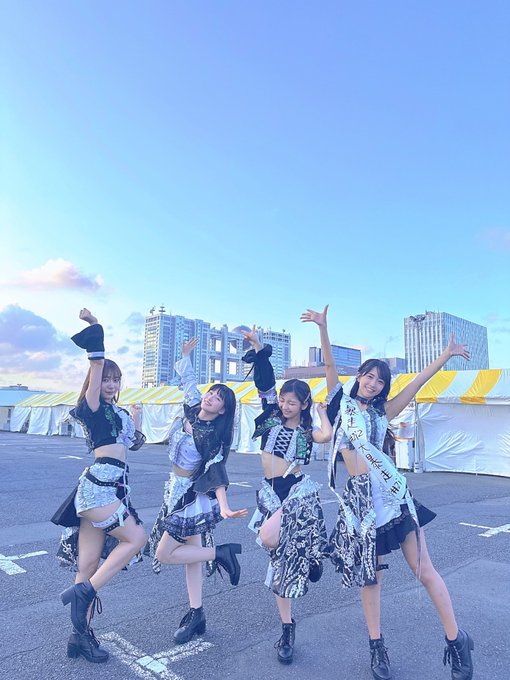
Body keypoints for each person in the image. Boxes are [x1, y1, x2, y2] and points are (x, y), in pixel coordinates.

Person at [302, 305, 474, 680]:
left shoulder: (383, 413)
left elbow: (416, 385)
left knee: (424, 570)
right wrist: (323, 329)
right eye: (369, 376)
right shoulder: (342, 404)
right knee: (372, 578)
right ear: (359, 376)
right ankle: (377, 648)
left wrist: (445, 356)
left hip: (392, 498)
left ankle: (457, 640)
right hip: (359, 502)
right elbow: (329, 366)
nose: (373, 384)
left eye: (380, 381)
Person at [51, 309, 147, 663]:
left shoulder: (119, 413)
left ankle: (80, 637)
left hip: (113, 487)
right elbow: (94, 368)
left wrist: (136, 419)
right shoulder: (91, 406)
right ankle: (85, 592)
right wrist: (95, 329)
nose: (110, 385)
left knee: (87, 565)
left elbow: (134, 443)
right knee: (137, 539)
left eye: (115, 380)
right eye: (106, 379)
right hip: (98, 488)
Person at [146, 337, 247, 645]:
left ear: (223, 410)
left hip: (189, 497)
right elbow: (189, 383)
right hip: (174, 489)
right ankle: (196, 613)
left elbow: (216, 471)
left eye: (218, 399)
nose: (211, 398)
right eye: (211, 393)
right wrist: (186, 355)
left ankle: (221, 553)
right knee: (192, 559)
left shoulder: (213, 436)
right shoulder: (192, 411)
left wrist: (224, 506)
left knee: (164, 553)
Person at [242, 326, 332, 665]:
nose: (284, 405)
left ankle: (309, 556)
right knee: (278, 562)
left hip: (294, 492)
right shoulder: (270, 416)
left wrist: (321, 412)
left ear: (303, 404)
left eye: (292, 402)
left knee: (268, 538)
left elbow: (326, 435)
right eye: (283, 399)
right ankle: (287, 628)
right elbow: (264, 382)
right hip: (270, 493)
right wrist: (259, 347)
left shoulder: (307, 430)